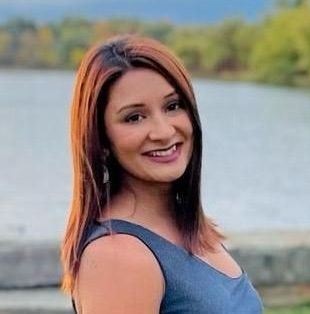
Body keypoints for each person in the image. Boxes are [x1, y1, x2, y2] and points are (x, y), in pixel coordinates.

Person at [60, 34, 264, 314]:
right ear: (102, 140)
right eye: (134, 117)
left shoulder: (186, 225)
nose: (164, 131)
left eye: (172, 106)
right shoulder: (117, 257)